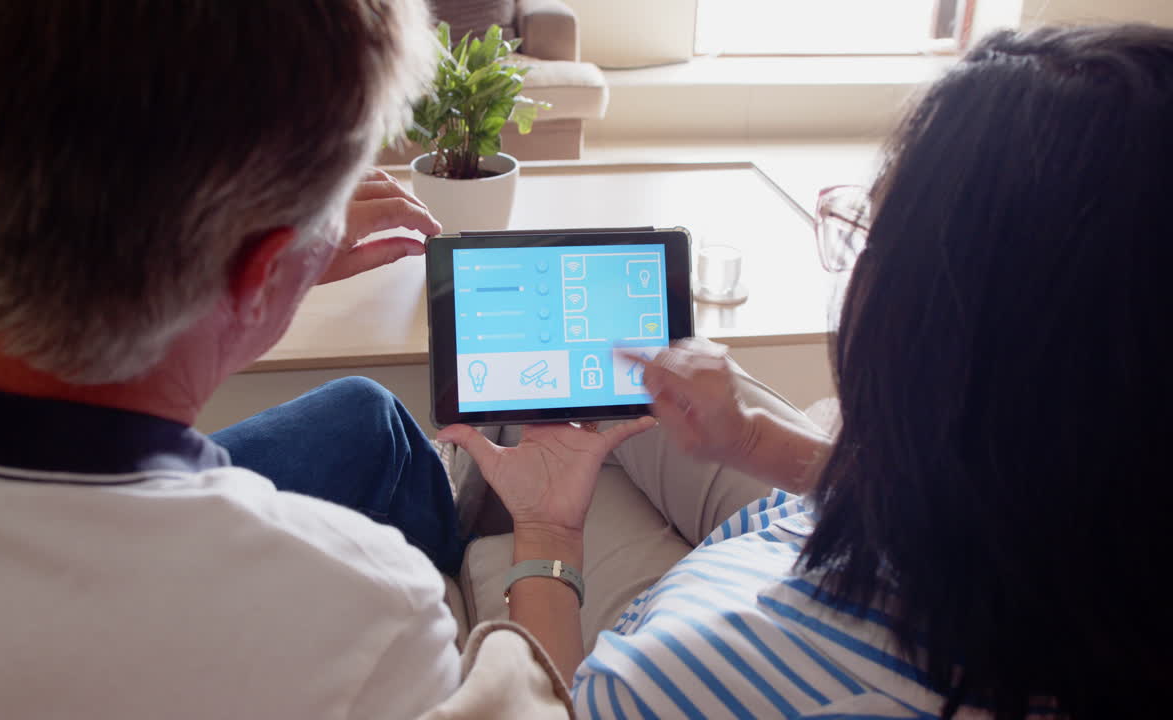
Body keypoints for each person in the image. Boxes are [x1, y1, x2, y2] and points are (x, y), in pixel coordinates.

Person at [442, 23, 1171, 718]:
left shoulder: (682, 684)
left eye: (870, 236)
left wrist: (546, 535)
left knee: (584, 409)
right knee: (656, 381)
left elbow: (548, 705)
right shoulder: (1086, 524)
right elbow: (980, 508)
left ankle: (490, 494)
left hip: (712, 612)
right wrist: (756, 443)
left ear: (939, 346)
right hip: (840, 524)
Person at [0, 1, 500, 717]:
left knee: (368, 420)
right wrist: (550, 551)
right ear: (259, 272)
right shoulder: (374, 619)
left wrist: (247, 280)